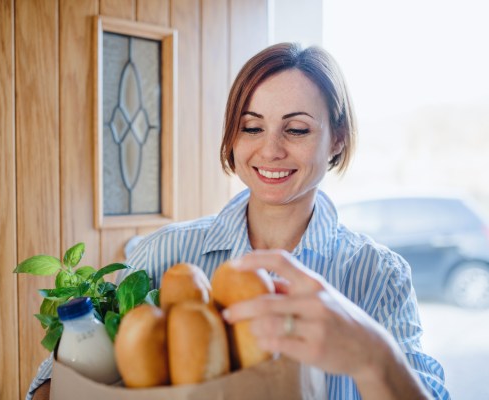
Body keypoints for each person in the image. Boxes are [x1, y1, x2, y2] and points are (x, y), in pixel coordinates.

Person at [27, 42, 449, 399]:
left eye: (297, 130)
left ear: (337, 138)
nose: (270, 151)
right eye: (251, 128)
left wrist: (373, 355)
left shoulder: (379, 275)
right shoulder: (164, 257)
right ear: (232, 135)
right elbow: (56, 381)